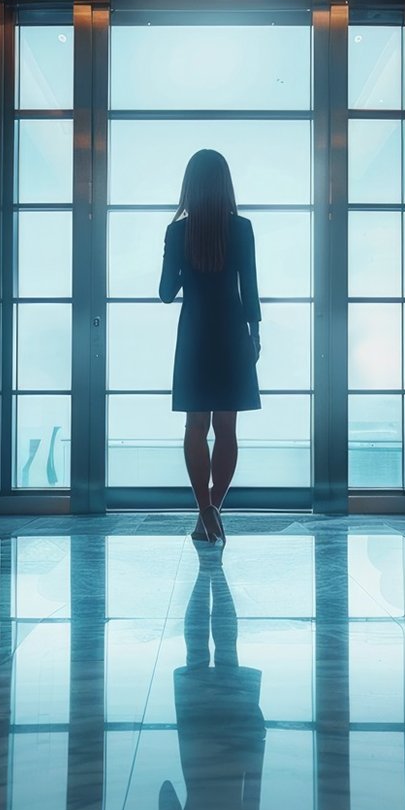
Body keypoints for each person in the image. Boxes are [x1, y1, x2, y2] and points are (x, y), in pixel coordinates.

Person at [158, 149, 262, 545]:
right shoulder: (242, 228)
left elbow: (167, 293)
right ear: (225, 184)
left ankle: (205, 510)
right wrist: (254, 334)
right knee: (227, 429)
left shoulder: (178, 232)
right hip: (233, 334)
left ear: (190, 186)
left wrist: (178, 259)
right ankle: (213, 511)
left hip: (195, 336)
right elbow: (249, 287)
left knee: (194, 426)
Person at [158, 544, 265, 810]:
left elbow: (252, 790)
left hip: (235, 746)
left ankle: (211, 567)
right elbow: (167, 795)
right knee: (198, 653)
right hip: (199, 747)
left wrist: (258, 737)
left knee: (227, 653)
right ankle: (209, 567)